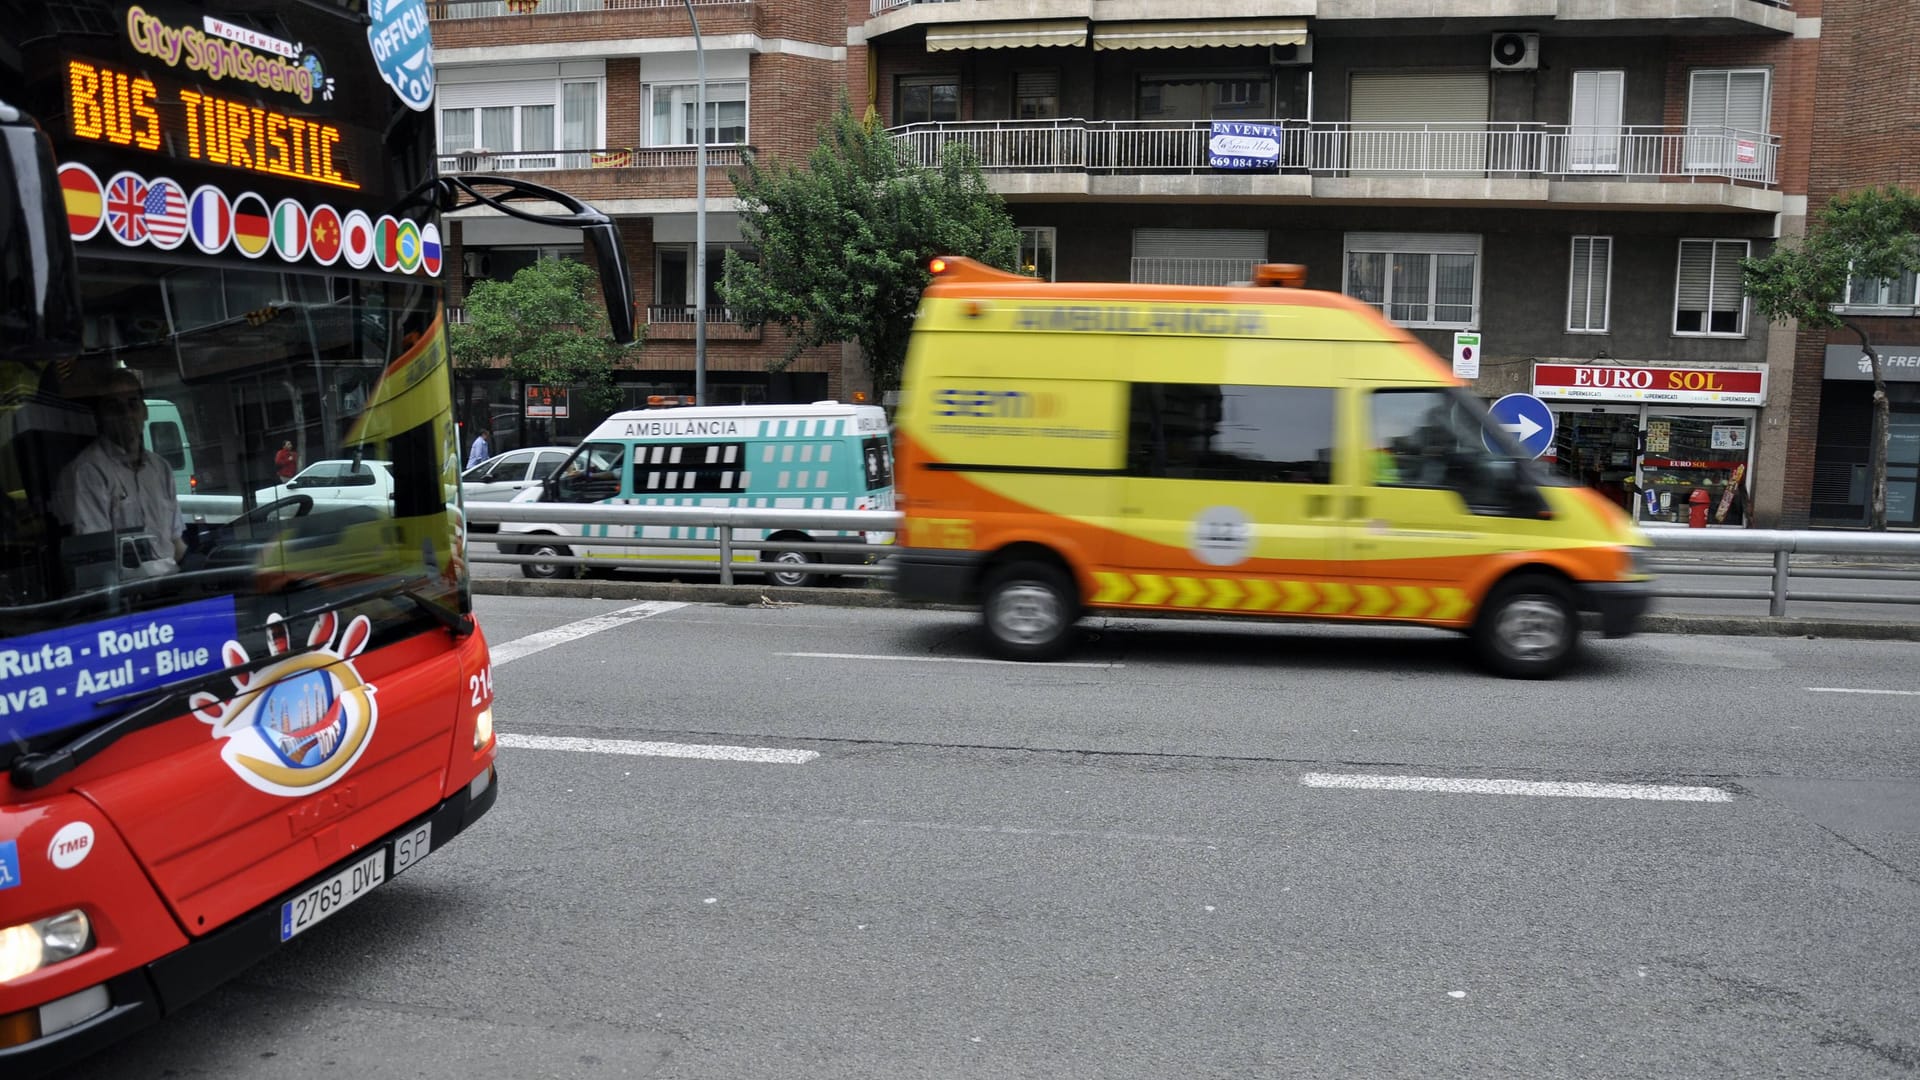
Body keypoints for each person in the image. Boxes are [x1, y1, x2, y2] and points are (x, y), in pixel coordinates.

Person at [53, 368, 185, 576]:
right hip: (125, 598)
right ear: (101, 416)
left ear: (144, 411)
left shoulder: (161, 469)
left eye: (132, 404)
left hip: (169, 586)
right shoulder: (87, 471)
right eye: (114, 407)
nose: (126, 414)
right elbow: (97, 559)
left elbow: (177, 544)